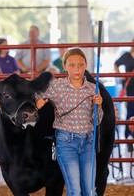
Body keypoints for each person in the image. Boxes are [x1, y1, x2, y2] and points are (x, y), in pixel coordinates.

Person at [36, 48, 103, 196]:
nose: (77, 69)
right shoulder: (56, 86)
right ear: (64, 66)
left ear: (86, 65)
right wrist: (38, 101)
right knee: (75, 190)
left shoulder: (93, 88)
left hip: (88, 142)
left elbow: (97, 120)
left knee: (90, 191)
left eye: (80, 65)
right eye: (72, 65)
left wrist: (99, 105)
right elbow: (37, 94)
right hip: (66, 142)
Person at [114, 38, 134, 139]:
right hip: (129, 88)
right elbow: (116, 64)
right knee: (130, 111)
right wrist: (120, 75)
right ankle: (128, 136)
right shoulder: (126, 55)